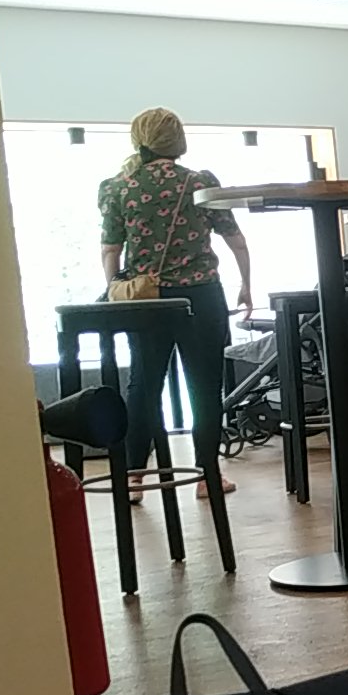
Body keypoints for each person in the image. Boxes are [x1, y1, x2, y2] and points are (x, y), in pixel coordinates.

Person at [98, 108, 251, 497]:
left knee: (144, 385)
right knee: (205, 385)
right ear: (178, 140)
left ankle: (134, 476)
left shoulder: (119, 187)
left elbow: (111, 251)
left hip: (147, 300)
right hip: (201, 295)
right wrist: (246, 285)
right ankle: (207, 476)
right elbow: (234, 239)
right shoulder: (200, 183)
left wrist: (116, 291)